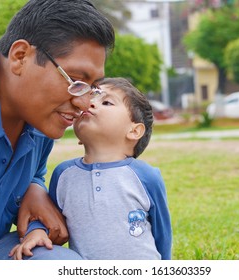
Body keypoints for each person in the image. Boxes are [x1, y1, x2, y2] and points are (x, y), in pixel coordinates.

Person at [0, 0, 115, 260]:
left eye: (91, 87)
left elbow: (33, 173)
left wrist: (34, 189)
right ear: (20, 57)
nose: (83, 103)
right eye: (76, 81)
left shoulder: (40, 117)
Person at [10, 78, 172, 260]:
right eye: (90, 98)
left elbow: (162, 234)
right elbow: (50, 217)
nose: (90, 103)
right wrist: (37, 231)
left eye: (106, 102)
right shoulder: (64, 175)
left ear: (134, 131)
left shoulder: (145, 176)